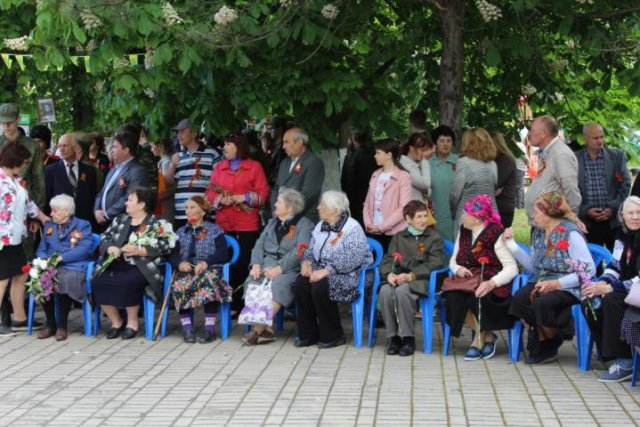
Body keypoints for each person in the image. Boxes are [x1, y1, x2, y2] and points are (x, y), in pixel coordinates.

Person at [506, 191, 595, 365]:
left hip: (569, 285)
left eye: (536, 211)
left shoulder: (570, 233)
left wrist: (557, 283)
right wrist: (511, 245)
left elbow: (589, 269)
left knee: (541, 302)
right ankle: (552, 340)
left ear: (550, 213)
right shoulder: (538, 233)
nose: (532, 215)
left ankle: (546, 345)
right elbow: (533, 266)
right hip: (542, 281)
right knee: (520, 299)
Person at [91, 187, 173, 339]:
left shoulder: (156, 223)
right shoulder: (119, 219)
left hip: (141, 266)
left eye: (130, 200)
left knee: (128, 281)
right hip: (116, 262)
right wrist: (110, 247)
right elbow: (104, 237)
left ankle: (132, 323)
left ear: (142, 204)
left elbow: (166, 246)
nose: (126, 203)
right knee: (97, 280)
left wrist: (142, 251)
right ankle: (117, 321)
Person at [443, 194, 518, 360]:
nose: (462, 216)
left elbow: (512, 268)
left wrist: (492, 283)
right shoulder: (464, 229)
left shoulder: (495, 232)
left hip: (492, 279)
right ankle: (486, 337)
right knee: (453, 296)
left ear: (477, 218)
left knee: (477, 297)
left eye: (466, 213)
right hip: (468, 279)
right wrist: (458, 269)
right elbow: (453, 260)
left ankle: (477, 342)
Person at [294, 191, 373, 348]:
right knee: (301, 283)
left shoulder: (352, 228)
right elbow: (310, 250)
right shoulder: (320, 226)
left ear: (334, 209)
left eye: (322, 204)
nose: (318, 207)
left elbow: (354, 258)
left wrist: (327, 270)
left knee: (321, 286)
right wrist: (307, 262)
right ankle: (308, 334)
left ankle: (333, 335)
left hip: (350, 274)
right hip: (321, 271)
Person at [205, 132, 270, 313]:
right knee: (226, 261)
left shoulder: (254, 167)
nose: (224, 147)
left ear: (239, 146)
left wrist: (244, 197)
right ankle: (230, 303)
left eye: (228, 144)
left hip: (247, 223)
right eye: (224, 144)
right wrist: (220, 199)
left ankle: (244, 302)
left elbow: (264, 195)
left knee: (244, 262)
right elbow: (209, 192)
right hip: (224, 223)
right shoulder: (219, 167)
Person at [243, 188, 314, 345]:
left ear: (289, 207)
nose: (274, 204)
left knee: (279, 285)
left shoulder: (305, 224)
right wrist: (255, 265)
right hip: (265, 266)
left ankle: (256, 331)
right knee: (252, 282)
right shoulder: (271, 223)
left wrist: (279, 268)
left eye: (279, 202)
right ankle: (266, 331)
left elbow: (301, 249)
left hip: (288, 269)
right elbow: (258, 247)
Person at [581, 196, 640, 382]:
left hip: (636, 289)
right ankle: (609, 355)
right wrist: (601, 283)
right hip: (627, 287)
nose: (635, 217)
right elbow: (615, 266)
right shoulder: (622, 237)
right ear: (622, 216)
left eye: (639, 213)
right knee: (590, 301)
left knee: (611, 300)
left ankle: (626, 361)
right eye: (630, 213)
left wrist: (611, 288)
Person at [378, 201, 445, 356]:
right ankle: (393, 338)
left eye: (425, 216)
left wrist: (411, 275)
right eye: (418, 217)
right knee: (385, 291)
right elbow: (388, 260)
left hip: (421, 280)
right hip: (399, 277)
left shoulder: (434, 238)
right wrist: (389, 274)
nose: (423, 220)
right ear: (408, 219)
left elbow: (436, 263)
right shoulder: (399, 237)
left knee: (402, 292)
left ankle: (408, 338)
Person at [0, 143, 50, 336]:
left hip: (16, 237)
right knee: (2, 280)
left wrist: (44, 218)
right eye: (23, 161)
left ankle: (19, 318)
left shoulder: (17, 180)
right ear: (15, 160)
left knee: (21, 275)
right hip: (3, 240)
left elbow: (29, 205)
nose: (24, 165)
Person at [170, 196, 232, 343]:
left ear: (203, 211)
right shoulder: (180, 232)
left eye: (192, 207)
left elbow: (223, 253)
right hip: (187, 270)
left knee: (209, 280)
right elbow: (171, 254)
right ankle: (187, 329)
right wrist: (179, 263)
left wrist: (206, 263)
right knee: (180, 284)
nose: (188, 211)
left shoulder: (214, 229)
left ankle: (209, 330)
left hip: (208, 268)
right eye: (186, 208)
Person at [35, 195, 93, 341]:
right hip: (51, 265)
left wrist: (62, 258)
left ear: (67, 211)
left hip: (74, 265)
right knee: (41, 277)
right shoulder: (49, 226)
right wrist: (43, 261)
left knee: (65, 278)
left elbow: (84, 249)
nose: (51, 214)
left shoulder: (83, 225)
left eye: (55, 211)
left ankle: (62, 326)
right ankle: (50, 324)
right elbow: (41, 248)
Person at [577, 123, 631, 251]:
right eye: (595, 138)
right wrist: (585, 210)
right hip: (587, 223)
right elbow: (569, 190)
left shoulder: (616, 156)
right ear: (585, 138)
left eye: (602, 137)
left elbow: (626, 184)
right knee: (593, 264)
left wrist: (613, 208)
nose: (600, 141)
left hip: (613, 222)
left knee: (619, 260)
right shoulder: (574, 159)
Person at [167, 118, 222, 229]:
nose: (179, 135)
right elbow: (169, 182)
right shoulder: (178, 156)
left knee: (204, 245)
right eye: (178, 132)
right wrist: (172, 165)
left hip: (203, 213)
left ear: (193, 133)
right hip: (182, 213)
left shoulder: (212, 154)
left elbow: (221, 182)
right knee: (183, 246)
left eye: (182, 131)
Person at [525, 115, 582, 220]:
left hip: (553, 224)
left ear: (543, 133)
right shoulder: (549, 152)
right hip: (543, 222)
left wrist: (568, 218)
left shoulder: (560, 154)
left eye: (532, 130)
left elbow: (571, 190)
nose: (529, 134)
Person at [362, 139, 412, 252]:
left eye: (378, 153)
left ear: (389, 155)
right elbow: (367, 203)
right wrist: (368, 224)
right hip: (373, 231)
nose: (375, 156)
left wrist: (382, 227)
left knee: (391, 267)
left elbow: (404, 207)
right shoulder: (375, 174)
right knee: (375, 266)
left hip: (394, 233)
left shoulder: (403, 176)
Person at [94, 130, 149, 228]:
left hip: (121, 225)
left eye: (115, 147)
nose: (112, 150)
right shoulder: (114, 168)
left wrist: (106, 215)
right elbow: (102, 192)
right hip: (104, 221)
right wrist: (97, 210)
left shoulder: (138, 171)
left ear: (126, 150)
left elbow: (130, 197)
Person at [270, 128, 325, 222]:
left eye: (287, 142)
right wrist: (276, 210)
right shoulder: (284, 163)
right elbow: (276, 188)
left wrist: (286, 211)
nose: (283, 146)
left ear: (299, 142)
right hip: (280, 218)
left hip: (303, 220)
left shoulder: (314, 162)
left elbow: (309, 194)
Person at [450, 128, 498, 236]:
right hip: (489, 214)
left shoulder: (463, 162)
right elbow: (494, 186)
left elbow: (455, 193)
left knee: (465, 249)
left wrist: (453, 212)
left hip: (467, 215)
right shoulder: (492, 164)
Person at [0, 103, 46, 210]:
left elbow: (38, 178)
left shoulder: (32, 146)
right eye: (3, 122)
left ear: (18, 120)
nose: (6, 125)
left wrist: (38, 209)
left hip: (25, 203)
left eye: (10, 122)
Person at [45, 133, 98, 224]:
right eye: (59, 146)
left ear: (75, 147)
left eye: (65, 145)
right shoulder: (51, 170)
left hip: (83, 222)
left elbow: (92, 196)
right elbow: (47, 197)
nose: (61, 149)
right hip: (60, 222)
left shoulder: (89, 171)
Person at [340, 128, 377, 227]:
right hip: (361, 196)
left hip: (359, 197)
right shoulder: (370, 154)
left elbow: (345, 179)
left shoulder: (352, 155)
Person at [429, 125, 459, 241]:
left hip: (458, 215)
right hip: (435, 214)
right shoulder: (427, 164)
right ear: (435, 143)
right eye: (441, 141)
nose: (445, 144)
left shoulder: (460, 161)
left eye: (449, 141)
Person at [490, 132, 518, 228]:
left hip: (503, 207)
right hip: (496, 205)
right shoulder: (495, 160)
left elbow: (495, 182)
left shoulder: (506, 160)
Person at [399, 132, 434, 203]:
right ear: (411, 148)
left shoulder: (418, 163)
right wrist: (424, 160)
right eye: (422, 150)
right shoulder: (403, 164)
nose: (425, 153)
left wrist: (427, 190)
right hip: (410, 210)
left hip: (420, 210)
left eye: (427, 150)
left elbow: (431, 192)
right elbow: (425, 184)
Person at [150, 138, 176, 222]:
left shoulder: (166, 162)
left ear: (159, 147)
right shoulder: (163, 161)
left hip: (166, 201)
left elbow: (168, 184)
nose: (151, 149)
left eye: (152, 146)